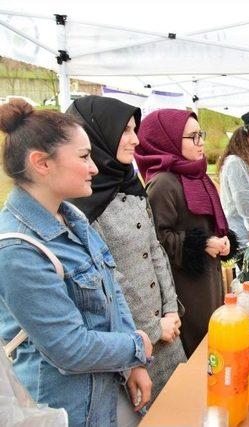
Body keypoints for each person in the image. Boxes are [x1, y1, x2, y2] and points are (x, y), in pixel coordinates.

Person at [0, 99, 153, 426]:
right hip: (66, 411)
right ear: (42, 163)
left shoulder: (73, 218)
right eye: (84, 157)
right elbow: (70, 348)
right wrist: (135, 346)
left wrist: (133, 364)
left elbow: (112, 291)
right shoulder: (18, 249)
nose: (94, 167)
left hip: (105, 396)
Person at [66, 96, 187, 403]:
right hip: (128, 338)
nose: (135, 139)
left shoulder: (130, 182)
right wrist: (152, 326)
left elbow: (155, 249)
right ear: (99, 134)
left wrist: (171, 309)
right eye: (126, 130)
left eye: (136, 129)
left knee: (179, 405)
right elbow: (107, 276)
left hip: (166, 326)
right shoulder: (80, 201)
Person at [134, 109, 237, 357]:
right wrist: (201, 244)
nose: (201, 142)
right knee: (198, 352)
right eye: (193, 137)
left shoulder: (196, 175)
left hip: (207, 281)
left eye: (200, 134)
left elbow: (207, 225)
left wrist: (223, 240)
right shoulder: (163, 184)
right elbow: (156, 242)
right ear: (166, 139)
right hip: (186, 290)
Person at [219, 126, 249, 249]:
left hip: (244, 224)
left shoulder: (241, 161)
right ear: (243, 143)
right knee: (244, 262)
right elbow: (242, 197)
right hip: (240, 227)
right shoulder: (235, 162)